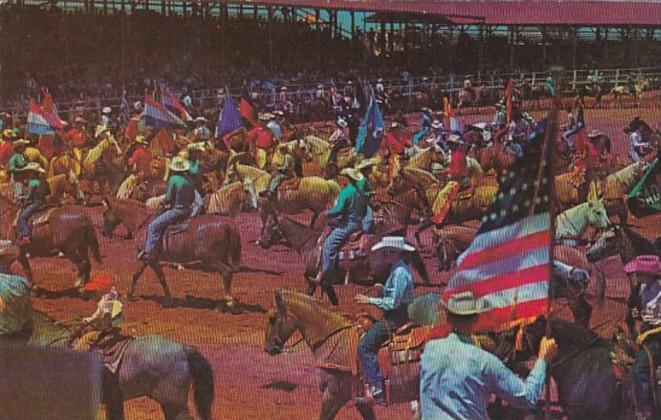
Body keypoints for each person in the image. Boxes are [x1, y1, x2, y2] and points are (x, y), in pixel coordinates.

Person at [420, 291, 558, 419]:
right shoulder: (485, 362)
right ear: (476, 318)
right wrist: (543, 359)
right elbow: (528, 398)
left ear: (448, 318)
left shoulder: (429, 350)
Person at [354, 236, 416, 404]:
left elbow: (393, 303)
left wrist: (370, 301)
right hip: (399, 313)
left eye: (386, 252)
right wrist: (383, 289)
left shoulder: (400, 273)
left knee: (365, 345)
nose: (383, 255)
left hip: (397, 317)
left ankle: (377, 389)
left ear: (394, 253)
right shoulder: (398, 269)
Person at [313, 167, 370, 287]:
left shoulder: (346, 192)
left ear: (347, 178)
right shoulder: (360, 192)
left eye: (343, 176)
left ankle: (324, 274)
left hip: (347, 225)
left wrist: (327, 213)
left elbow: (338, 210)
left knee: (328, 245)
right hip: (358, 223)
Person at [624, 255, 661, 420]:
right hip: (644, 332)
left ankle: (647, 410)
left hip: (656, 337)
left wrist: (646, 334)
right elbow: (641, 310)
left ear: (649, 274)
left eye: (639, 273)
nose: (637, 277)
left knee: (639, 370)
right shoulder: (641, 289)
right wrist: (635, 314)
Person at [140, 156, 195, 262]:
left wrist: (163, 202)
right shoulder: (189, 179)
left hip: (177, 211)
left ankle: (149, 253)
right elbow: (192, 196)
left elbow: (169, 198)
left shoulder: (173, 179)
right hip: (189, 210)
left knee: (153, 226)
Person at [73, 273, 124, 351]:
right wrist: (87, 319)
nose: (92, 296)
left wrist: (87, 321)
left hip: (105, 331)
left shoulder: (105, 302)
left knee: (84, 339)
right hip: (111, 327)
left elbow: (102, 316)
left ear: (100, 291)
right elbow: (98, 315)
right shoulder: (111, 299)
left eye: (93, 293)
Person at [16, 163, 49, 246]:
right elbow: (49, 192)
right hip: (44, 201)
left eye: (29, 172)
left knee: (22, 217)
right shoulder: (43, 181)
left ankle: (26, 235)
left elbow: (29, 196)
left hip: (36, 203)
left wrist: (22, 198)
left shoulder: (32, 182)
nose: (28, 174)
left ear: (33, 173)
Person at [185, 142, 205, 217]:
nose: (198, 154)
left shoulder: (195, 162)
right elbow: (194, 171)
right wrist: (197, 162)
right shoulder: (187, 163)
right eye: (197, 153)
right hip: (189, 188)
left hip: (196, 187)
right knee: (199, 203)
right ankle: (191, 218)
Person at [8, 138, 29, 202]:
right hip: (16, 179)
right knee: (19, 195)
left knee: (24, 194)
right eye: (23, 146)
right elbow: (12, 168)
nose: (24, 147)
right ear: (18, 148)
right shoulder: (14, 158)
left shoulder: (23, 156)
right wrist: (22, 169)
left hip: (22, 178)